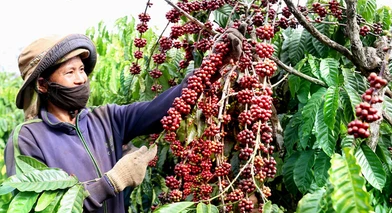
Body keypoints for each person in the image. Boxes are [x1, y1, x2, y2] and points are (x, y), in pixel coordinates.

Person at [4, 28, 244, 212]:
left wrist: (210, 67)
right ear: (43, 85)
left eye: (81, 70)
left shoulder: (105, 118)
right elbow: (35, 207)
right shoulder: (28, 138)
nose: (81, 79)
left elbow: (157, 110)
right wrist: (112, 182)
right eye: (69, 72)